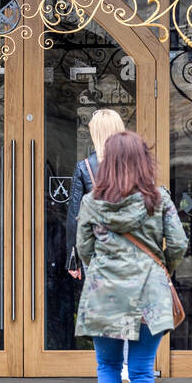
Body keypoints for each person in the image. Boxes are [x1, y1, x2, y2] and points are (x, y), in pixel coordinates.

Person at [76, 130, 187, 383]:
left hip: (105, 291)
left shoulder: (92, 202)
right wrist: (162, 268)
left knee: (107, 365)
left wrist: (102, 261)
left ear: (107, 162)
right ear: (143, 161)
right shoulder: (160, 199)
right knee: (140, 371)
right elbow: (179, 243)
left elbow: (83, 247)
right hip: (148, 292)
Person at [66, 108, 127, 280]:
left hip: (97, 248)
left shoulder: (85, 167)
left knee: (99, 302)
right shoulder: (136, 164)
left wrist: (73, 258)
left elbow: (74, 217)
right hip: (131, 249)